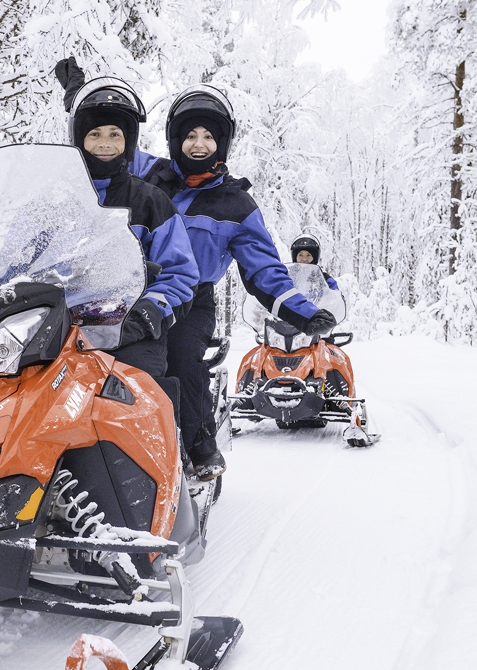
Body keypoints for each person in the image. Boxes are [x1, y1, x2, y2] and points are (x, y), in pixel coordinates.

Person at [58, 62, 333, 480]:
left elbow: (264, 269)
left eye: (208, 136)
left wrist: (302, 311)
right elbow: (108, 145)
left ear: (221, 143)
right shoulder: (151, 174)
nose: (198, 144)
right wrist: (79, 99)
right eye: (189, 135)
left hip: (191, 297)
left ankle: (198, 443)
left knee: (181, 358)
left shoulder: (234, 204)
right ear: (175, 140)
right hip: (124, 292)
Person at [66, 77, 198, 380]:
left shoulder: (150, 201)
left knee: (137, 388)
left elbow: (180, 274)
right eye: (95, 134)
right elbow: (22, 258)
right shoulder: (58, 199)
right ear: (79, 140)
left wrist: (149, 312)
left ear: (128, 141)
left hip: (127, 327)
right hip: (59, 325)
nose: (104, 143)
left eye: (115, 134)